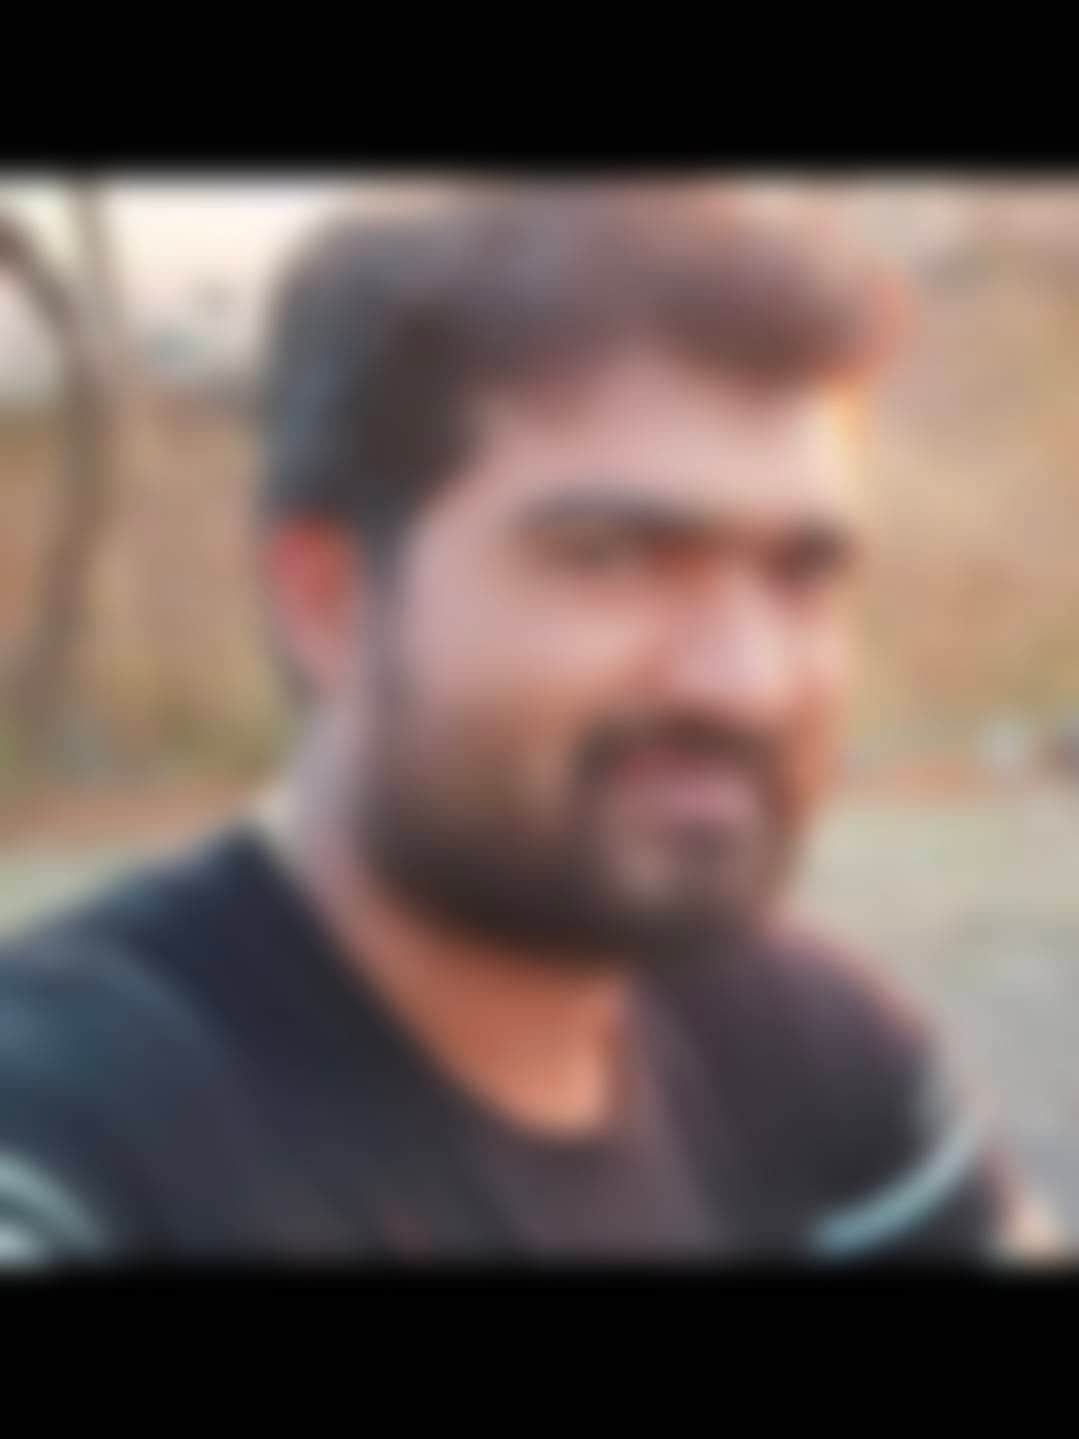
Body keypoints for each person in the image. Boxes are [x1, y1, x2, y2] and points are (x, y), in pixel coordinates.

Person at [0, 182, 1059, 1264]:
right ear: (327, 599)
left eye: (800, 573)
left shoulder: (814, 1058)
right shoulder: (74, 1129)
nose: (744, 680)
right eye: (607, 557)